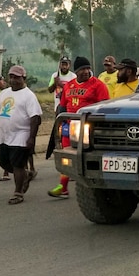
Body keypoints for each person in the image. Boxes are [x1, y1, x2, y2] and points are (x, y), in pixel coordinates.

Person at [49, 56, 110, 198]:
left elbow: (104, 107)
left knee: (86, 156)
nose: (86, 72)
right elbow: (63, 105)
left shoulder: (98, 85)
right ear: (76, 71)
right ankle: (63, 187)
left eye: (88, 68)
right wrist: (60, 123)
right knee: (66, 155)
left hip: (88, 128)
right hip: (69, 127)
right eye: (82, 69)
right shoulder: (69, 85)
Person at [0, 66, 42, 204]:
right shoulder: (4, 93)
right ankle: (25, 174)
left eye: (17, 77)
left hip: (21, 135)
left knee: (17, 165)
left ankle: (18, 192)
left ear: (24, 78)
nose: (13, 80)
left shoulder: (29, 95)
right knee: (4, 163)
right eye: (11, 77)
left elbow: (35, 118)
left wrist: (32, 138)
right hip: (5, 135)